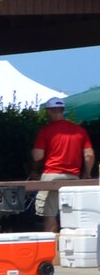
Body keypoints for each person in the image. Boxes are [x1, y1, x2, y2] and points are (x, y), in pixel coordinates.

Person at [31, 97, 95, 232]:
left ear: (49, 111)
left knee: (50, 214)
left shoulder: (45, 131)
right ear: (62, 110)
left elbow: (38, 156)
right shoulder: (79, 131)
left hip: (51, 176)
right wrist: (86, 174)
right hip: (73, 177)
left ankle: (52, 249)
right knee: (73, 214)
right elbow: (89, 155)